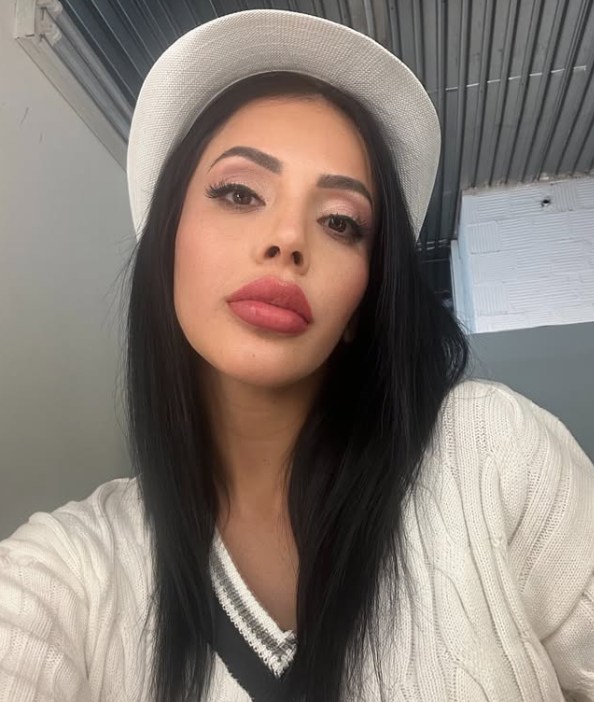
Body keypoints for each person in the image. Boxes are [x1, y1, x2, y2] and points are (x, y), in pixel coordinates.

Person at [1, 8, 593, 702]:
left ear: (362, 303)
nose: (288, 239)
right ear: (166, 245)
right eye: (239, 192)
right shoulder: (70, 570)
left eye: (340, 222)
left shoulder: (492, 452)